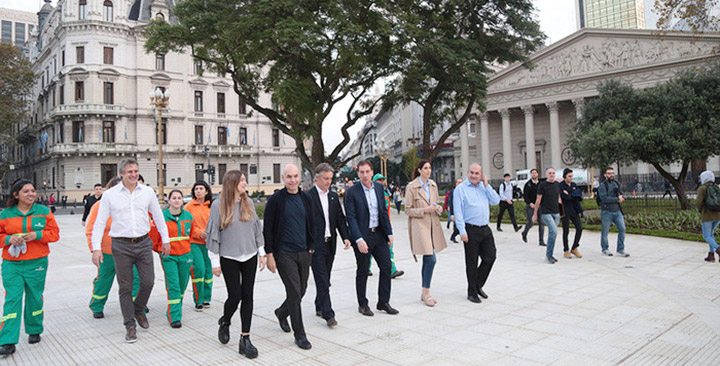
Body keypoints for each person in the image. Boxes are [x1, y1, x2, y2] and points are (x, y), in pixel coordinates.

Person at [91, 158, 171, 343]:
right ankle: (130, 325)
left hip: (144, 243)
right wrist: (96, 248)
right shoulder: (110, 195)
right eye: (129, 172)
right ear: (121, 174)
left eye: (135, 171)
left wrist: (165, 240)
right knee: (125, 287)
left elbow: (158, 218)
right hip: (121, 245)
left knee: (148, 281)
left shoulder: (148, 192)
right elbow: (100, 223)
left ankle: (138, 309)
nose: (134, 174)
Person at [207, 170, 266, 359]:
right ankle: (225, 321)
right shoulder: (218, 206)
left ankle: (245, 339)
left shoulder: (247, 202)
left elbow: (257, 229)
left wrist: (262, 253)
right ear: (232, 183)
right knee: (235, 296)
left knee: (248, 296)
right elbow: (213, 234)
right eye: (241, 180)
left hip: (249, 255)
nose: (245, 182)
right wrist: (215, 262)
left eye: (244, 179)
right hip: (229, 257)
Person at [0, 180, 60, 356]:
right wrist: (8, 239)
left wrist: (38, 234)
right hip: (12, 263)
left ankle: (34, 329)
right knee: (13, 298)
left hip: (37, 262)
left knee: (35, 296)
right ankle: (7, 341)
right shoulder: (5, 214)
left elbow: (55, 234)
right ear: (16, 194)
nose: (31, 194)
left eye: (33, 191)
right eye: (26, 191)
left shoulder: (44, 212)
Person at [263, 164, 314, 350]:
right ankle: (300, 335)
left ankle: (282, 312)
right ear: (283, 178)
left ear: (300, 177)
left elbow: (312, 223)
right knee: (294, 291)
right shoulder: (276, 200)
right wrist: (269, 254)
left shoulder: (306, 198)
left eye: (295, 176)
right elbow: (267, 228)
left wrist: (311, 247)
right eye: (289, 177)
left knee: (302, 289)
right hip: (284, 253)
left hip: (304, 251)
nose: (293, 180)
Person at [345, 160, 398, 316]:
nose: (365, 175)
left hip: (379, 234)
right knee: (362, 270)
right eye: (362, 172)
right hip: (363, 236)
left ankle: (383, 302)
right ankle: (362, 304)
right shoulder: (352, 192)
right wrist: (358, 239)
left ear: (372, 172)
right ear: (358, 174)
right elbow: (351, 218)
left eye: (367, 171)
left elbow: (383, 212)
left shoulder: (380, 188)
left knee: (386, 267)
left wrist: (389, 233)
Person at [85, 177, 141, 319]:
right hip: (107, 251)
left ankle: (135, 306)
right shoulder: (99, 206)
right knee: (104, 280)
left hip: (128, 250)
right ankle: (97, 305)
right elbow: (91, 228)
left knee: (135, 279)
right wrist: (94, 249)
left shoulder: (130, 205)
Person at [307, 163, 350, 328]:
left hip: (330, 243)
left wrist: (346, 237)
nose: (328, 182)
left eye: (330, 179)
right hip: (315, 245)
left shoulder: (333, 196)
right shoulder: (308, 197)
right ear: (316, 178)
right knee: (323, 280)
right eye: (325, 179)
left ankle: (319, 305)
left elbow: (339, 218)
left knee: (326, 277)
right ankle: (328, 314)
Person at [453, 163, 500, 303]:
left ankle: (478, 285)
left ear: (481, 175)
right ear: (467, 173)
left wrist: (487, 185)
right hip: (470, 229)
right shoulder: (460, 189)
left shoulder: (483, 187)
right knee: (472, 262)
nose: (474, 176)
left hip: (485, 228)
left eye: (477, 173)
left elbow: (496, 201)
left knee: (490, 257)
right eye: (471, 173)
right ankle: (471, 292)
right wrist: (462, 231)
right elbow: (458, 212)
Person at [405, 161, 447, 307]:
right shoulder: (411, 187)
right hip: (420, 226)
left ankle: (424, 292)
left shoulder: (433, 185)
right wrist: (424, 210)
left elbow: (434, 204)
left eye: (430, 168)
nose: (428, 171)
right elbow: (407, 210)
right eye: (425, 168)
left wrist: (438, 208)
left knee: (428, 259)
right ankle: (426, 293)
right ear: (419, 170)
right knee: (431, 258)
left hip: (433, 225)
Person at [152, 190, 194, 329]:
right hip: (169, 257)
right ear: (169, 201)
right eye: (174, 198)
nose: (177, 200)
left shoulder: (188, 216)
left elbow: (191, 234)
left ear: (182, 201)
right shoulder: (161, 217)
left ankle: (176, 307)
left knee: (182, 285)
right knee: (173, 285)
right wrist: (160, 250)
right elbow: (154, 237)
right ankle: (175, 316)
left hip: (185, 255)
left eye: (179, 198)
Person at [184, 180, 214, 311]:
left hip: (210, 243)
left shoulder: (212, 206)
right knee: (199, 270)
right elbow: (186, 224)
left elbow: (218, 221)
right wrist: (198, 233)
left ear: (206, 191)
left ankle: (207, 298)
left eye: (201, 188)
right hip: (195, 243)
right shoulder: (189, 207)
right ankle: (198, 300)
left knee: (209, 271)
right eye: (196, 189)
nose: (198, 191)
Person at [368, 174, 404, 279]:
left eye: (382, 180)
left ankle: (392, 270)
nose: (381, 182)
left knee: (389, 247)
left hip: (385, 225)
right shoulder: (371, 194)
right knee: (369, 249)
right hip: (373, 226)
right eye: (378, 180)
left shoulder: (385, 194)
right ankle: (366, 268)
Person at [533, 168, 562, 264]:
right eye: (550, 173)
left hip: (556, 212)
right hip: (546, 213)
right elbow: (538, 200)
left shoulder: (557, 185)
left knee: (552, 234)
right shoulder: (542, 185)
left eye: (553, 173)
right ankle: (549, 255)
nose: (552, 175)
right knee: (553, 232)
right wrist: (535, 214)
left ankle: (550, 254)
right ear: (546, 175)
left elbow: (558, 198)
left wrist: (561, 212)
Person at [598, 167, 629, 257]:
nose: (611, 175)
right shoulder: (602, 186)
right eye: (609, 173)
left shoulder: (616, 184)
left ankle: (620, 249)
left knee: (622, 229)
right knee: (605, 231)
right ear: (605, 175)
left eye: (612, 173)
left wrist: (621, 198)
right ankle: (605, 248)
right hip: (607, 211)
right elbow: (604, 198)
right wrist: (617, 199)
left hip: (617, 211)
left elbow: (621, 194)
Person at [559, 169, 583, 259]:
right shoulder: (560, 186)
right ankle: (566, 249)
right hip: (564, 210)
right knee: (566, 230)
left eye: (572, 176)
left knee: (579, 228)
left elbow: (578, 194)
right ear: (564, 176)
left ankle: (574, 247)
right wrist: (572, 194)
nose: (571, 178)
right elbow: (563, 197)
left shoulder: (574, 185)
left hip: (574, 209)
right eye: (569, 176)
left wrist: (570, 194)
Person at [696, 171, 720, 262]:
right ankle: (711, 254)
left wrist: (700, 210)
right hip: (718, 214)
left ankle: (718, 249)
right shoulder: (716, 187)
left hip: (708, 214)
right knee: (710, 234)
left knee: (706, 236)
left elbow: (699, 202)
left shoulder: (702, 188)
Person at [521, 169, 545, 246]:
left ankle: (541, 241)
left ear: (537, 174)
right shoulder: (528, 184)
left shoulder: (541, 184)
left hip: (540, 206)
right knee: (531, 222)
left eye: (535, 173)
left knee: (541, 222)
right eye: (532, 173)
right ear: (531, 175)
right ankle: (524, 233)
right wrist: (530, 203)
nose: (534, 174)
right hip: (530, 206)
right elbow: (525, 196)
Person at [447, 178, 463, 243]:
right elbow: (450, 201)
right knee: (457, 226)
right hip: (455, 211)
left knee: (461, 225)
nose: (460, 184)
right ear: (456, 184)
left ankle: (453, 236)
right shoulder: (453, 191)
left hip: (462, 211)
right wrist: (452, 214)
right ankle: (453, 237)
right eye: (458, 182)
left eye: (461, 182)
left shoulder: (463, 191)